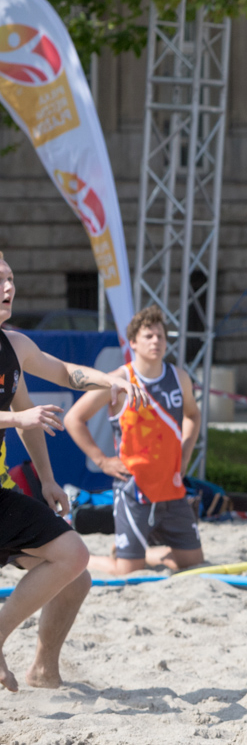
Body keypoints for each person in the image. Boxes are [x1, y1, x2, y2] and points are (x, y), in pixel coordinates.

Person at [0, 253, 131, 690]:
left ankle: (42, 669)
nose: (8, 287)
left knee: (75, 572)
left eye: (11, 278)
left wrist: (111, 381)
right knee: (73, 557)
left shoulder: (13, 346)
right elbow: (21, 417)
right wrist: (19, 419)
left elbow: (65, 375)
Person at [66, 304, 205, 575]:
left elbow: (193, 415)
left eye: (160, 336)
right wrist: (102, 460)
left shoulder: (179, 377)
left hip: (172, 488)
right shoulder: (118, 380)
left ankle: (146, 554)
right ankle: (84, 559)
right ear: (133, 343)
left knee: (194, 564)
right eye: (148, 336)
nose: (156, 341)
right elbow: (73, 419)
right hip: (134, 489)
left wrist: (186, 453)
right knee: (127, 570)